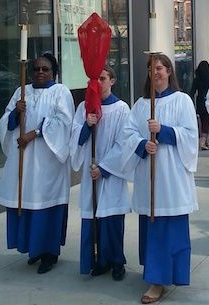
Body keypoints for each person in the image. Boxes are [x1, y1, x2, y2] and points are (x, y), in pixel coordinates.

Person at [122, 54, 199, 304]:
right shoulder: (142, 104)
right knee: (153, 224)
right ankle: (156, 277)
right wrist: (143, 144)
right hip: (150, 176)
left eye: (159, 68)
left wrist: (163, 131)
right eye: (150, 68)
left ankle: (169, 274)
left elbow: (190, 135)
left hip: (172, 176)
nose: (155, 72)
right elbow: (128, 133)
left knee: (171, 226)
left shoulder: (182, 100)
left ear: (169, 71)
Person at [0, 53, 75, 274]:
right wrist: (15, 115)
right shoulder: (22, 91)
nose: (40, 72)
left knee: (46, 204)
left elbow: (64, 122)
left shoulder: (60, 92)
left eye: (45, 69)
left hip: (48, 162)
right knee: (26, 201)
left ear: (54, 72)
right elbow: (5, 120)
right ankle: (34, 249)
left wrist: (36, 133)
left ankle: (49, 253)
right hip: (24, 159)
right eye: (36, 69)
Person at [70, 65, 131, 281]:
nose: (97, 83)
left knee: (112, 219)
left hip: (110, 173)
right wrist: (87, 125)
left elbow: (124, 142)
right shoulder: (83, 108)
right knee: (93, 216)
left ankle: (116, 262)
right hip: (90, 170)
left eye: (102, 78)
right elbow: (75, 137)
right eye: (94, 79)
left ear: (112, 81)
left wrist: (104, 168)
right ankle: (98, 261)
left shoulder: (122, 109)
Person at [190, 60, 209, 150]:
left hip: (200, 101)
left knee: (202, 122)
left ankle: (205, 141)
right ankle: (202, 142)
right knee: (207, 122)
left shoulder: (197, 78)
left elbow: (192, 92)